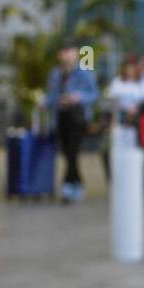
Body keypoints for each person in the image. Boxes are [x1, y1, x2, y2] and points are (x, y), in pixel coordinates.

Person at [45, 42, 99, 203]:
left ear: (76, 53)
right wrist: (47, 101)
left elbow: (94, 94)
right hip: (61, 117)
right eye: (63, 52)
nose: (66, 55)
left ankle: (68, 185)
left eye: (69, 51)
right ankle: (77, 183)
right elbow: (52, 96)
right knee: (68, 153)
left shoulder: (85, 71)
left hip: (78, 118)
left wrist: (77, 97)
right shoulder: (56, 74)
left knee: (72, 151)